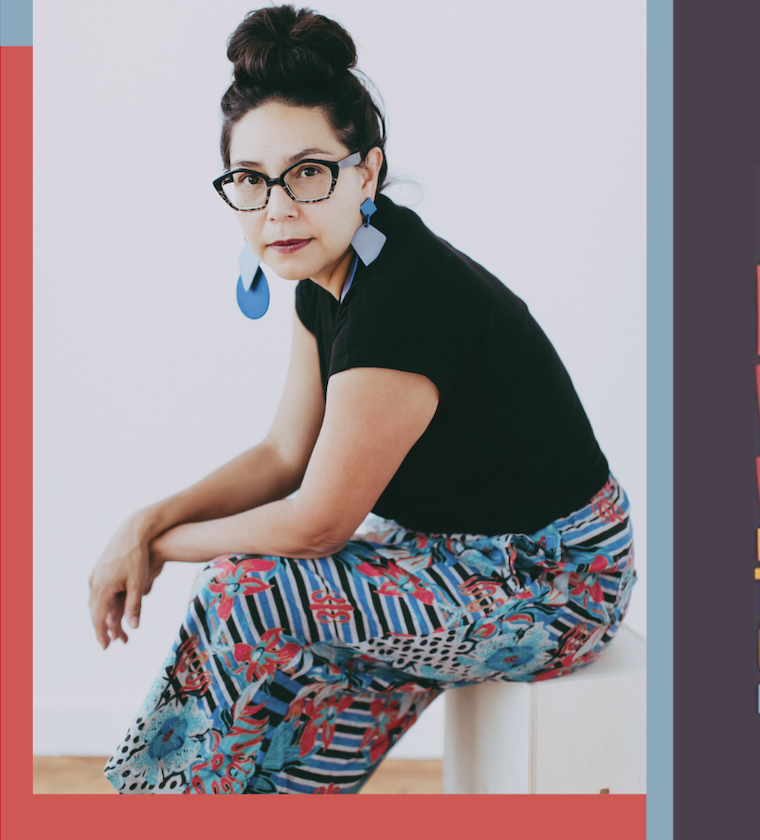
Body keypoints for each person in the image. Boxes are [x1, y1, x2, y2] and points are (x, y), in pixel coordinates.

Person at [87, 4, 635, 794]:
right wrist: (144, 522)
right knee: (288, 620)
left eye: (308, 173)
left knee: (251, 590)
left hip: (554, 580)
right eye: (251, 181)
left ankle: (163, 810)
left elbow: (316, 523)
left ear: (365, 172)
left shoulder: (404, 296)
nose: (279, 207)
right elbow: (284, 454)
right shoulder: (328, 279)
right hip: (445, 546)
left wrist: (162, 551)